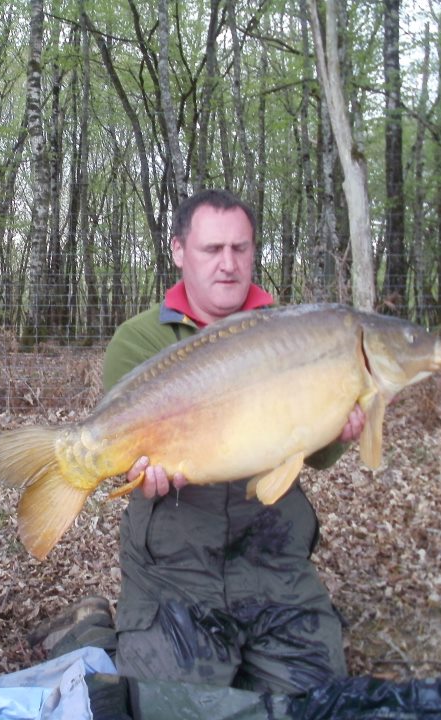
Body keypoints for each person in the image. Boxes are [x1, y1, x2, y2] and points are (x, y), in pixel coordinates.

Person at [101, 189, 364, 695]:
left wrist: (343, 426)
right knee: (166, 706)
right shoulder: (138, 340)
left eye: (240, 249)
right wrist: (138, 474)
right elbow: (124, 460)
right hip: (176, 567)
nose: (228, 264)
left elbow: (320, 454)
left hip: (273, 560)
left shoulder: (293, 335)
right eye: (212, 249)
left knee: (319, 701)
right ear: (179, 251)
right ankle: (94, 628)